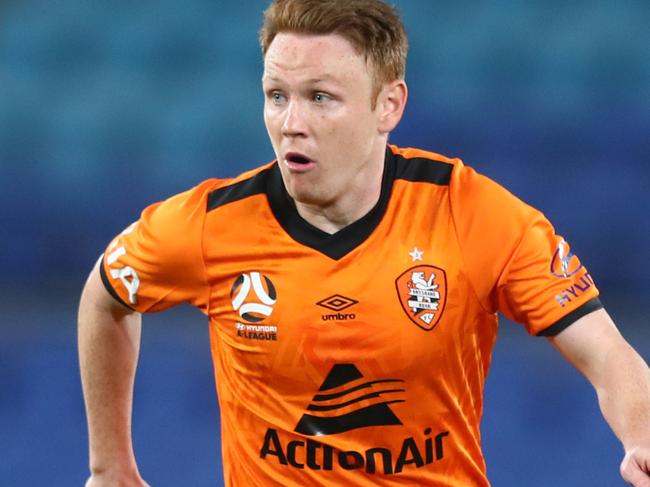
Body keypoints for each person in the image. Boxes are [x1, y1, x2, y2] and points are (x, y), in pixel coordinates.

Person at [78, 0, 650, 485]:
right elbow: (106, 295)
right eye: (277, 95)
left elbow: (606, 352)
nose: (290, 123)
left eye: (321, 97)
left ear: (388, 106)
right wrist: (110, 466)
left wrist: (641, 435)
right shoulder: (209, 226)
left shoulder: (473, 215)